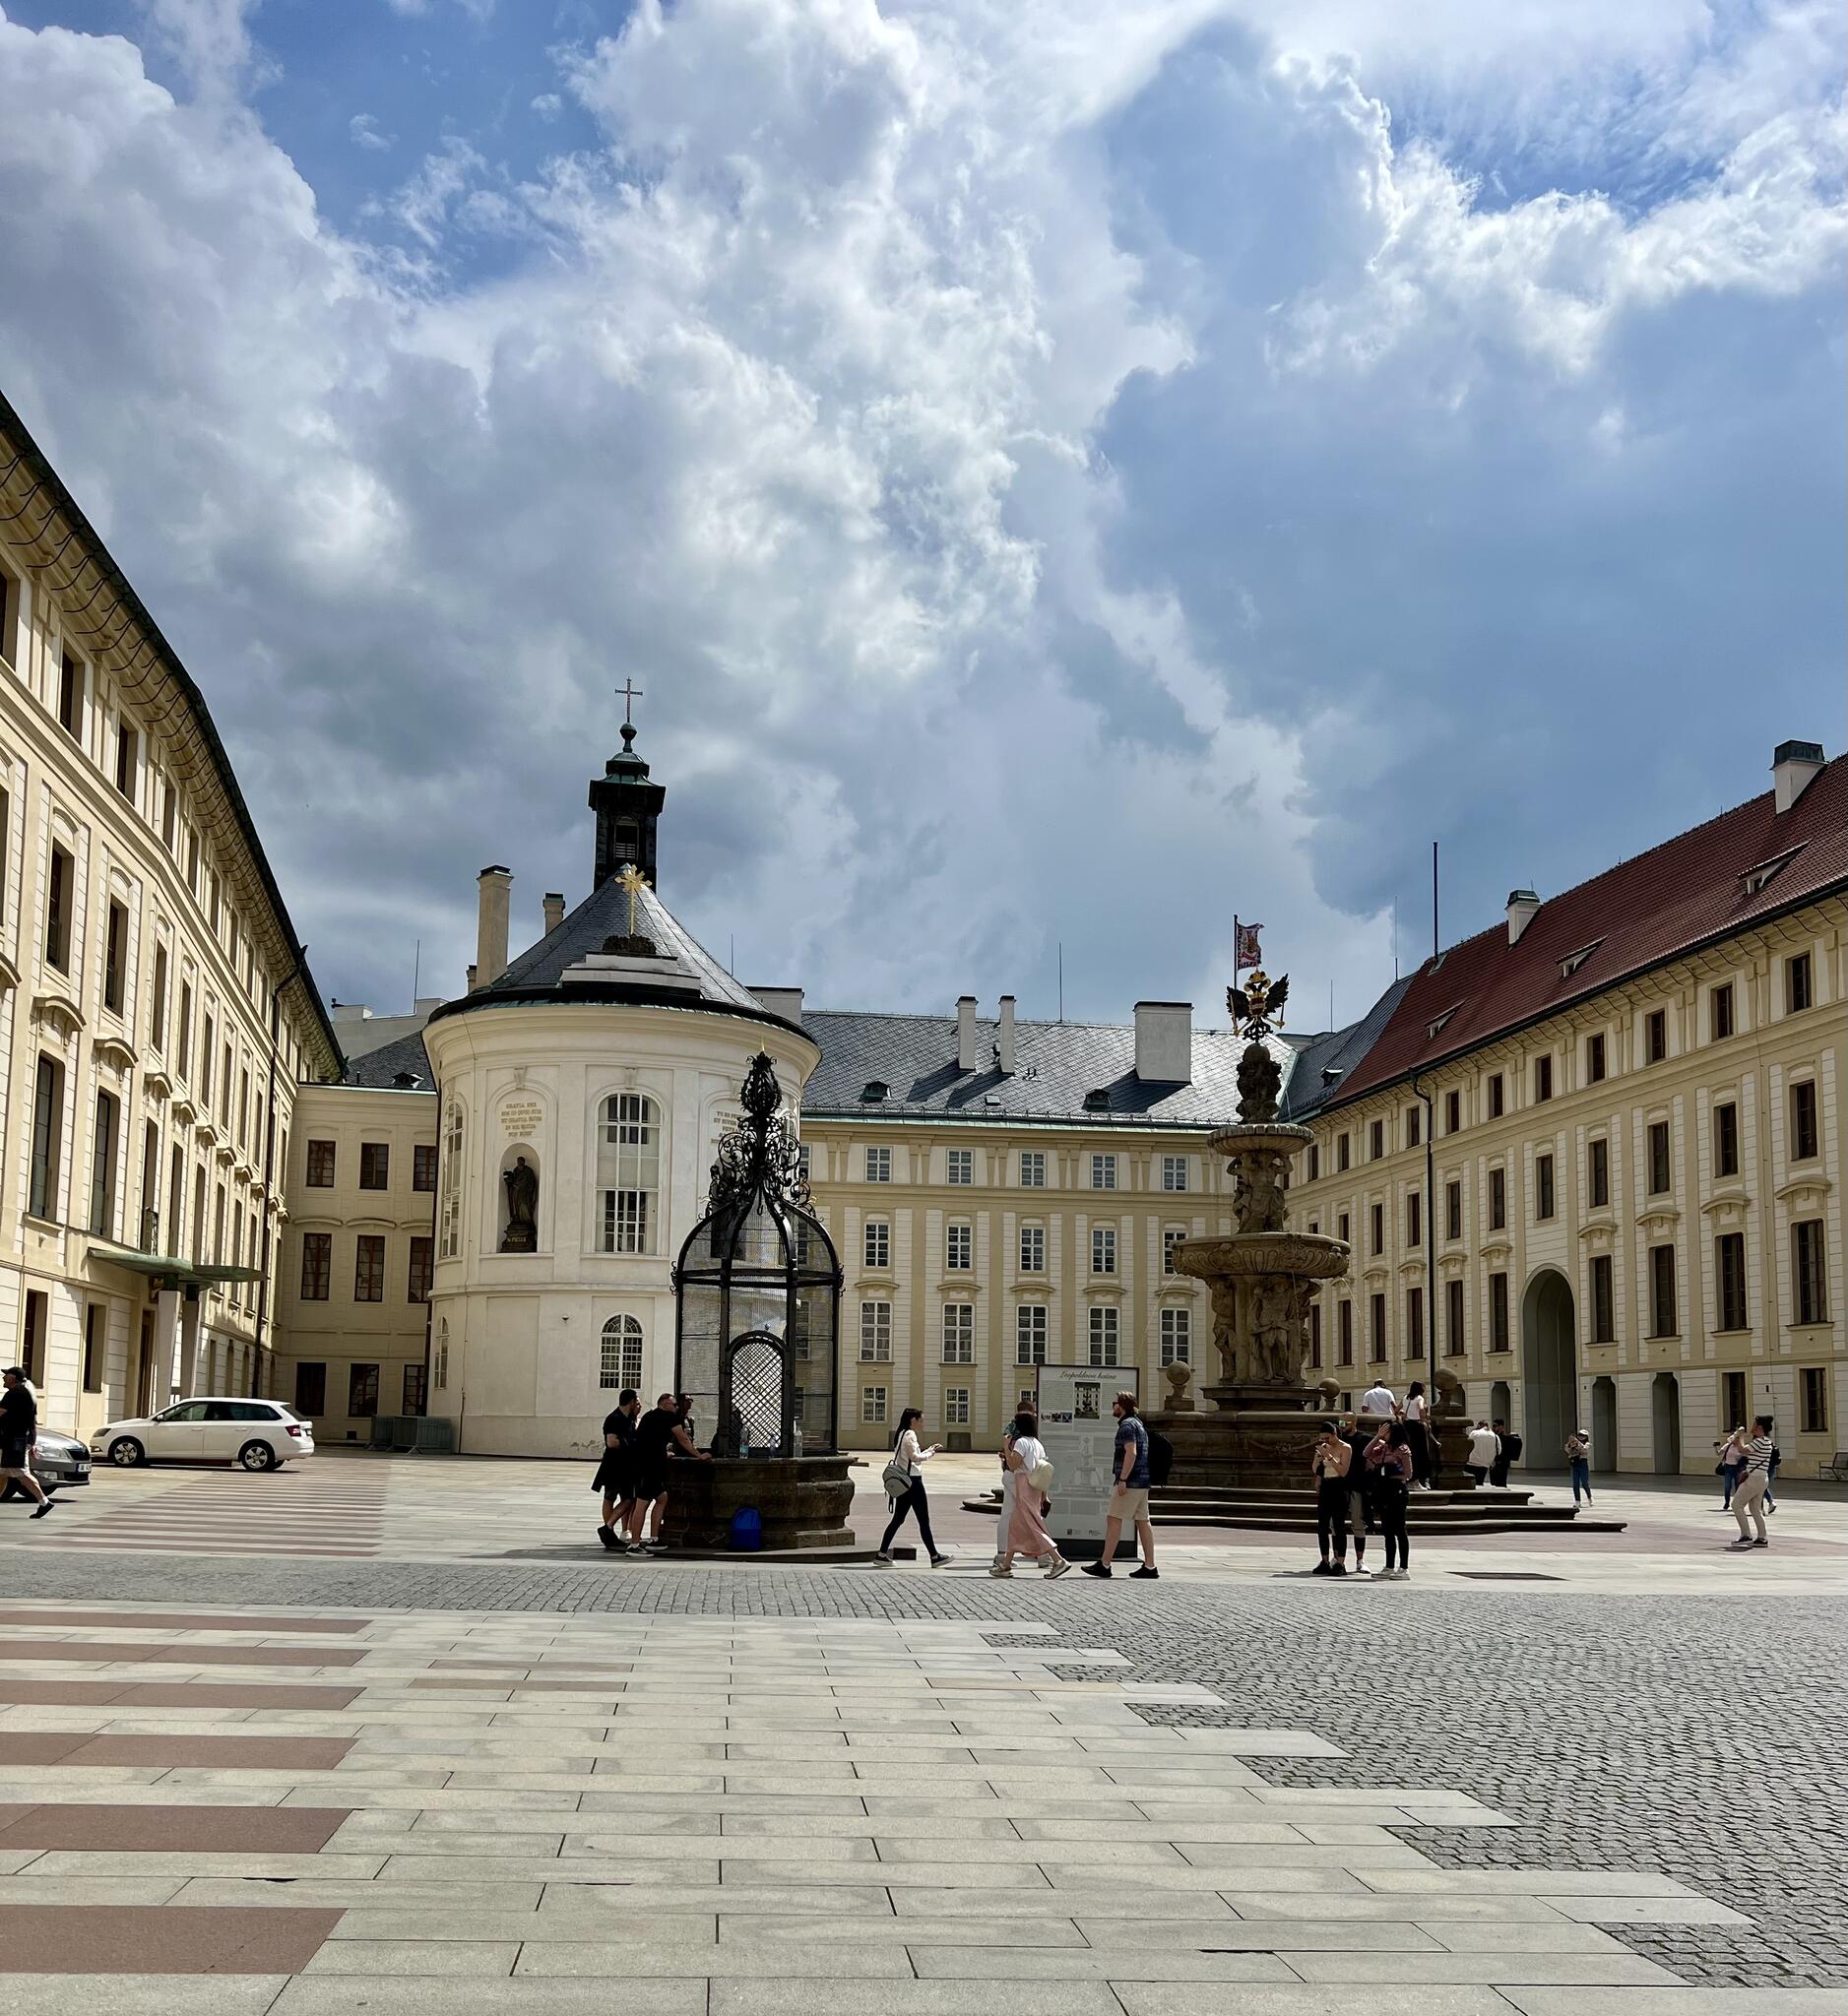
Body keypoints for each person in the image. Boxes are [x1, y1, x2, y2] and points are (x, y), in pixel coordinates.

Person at [1083, 1392, 1157, 1580]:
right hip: (1143, 1481)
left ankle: (1105, 1565)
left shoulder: (1126, 1426)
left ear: (1121, 1406)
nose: (1112, 1407)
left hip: (1130, 1482)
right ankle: (1150, 1566)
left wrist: (1123, 1479)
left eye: (1114, 1403)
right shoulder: (1138, 1424)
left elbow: (1130, 1453)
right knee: (1143, 1521)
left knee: (1114, 1519)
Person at [992, 1410, 1071, 1579]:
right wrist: (1044, 1496)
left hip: (1024, 1486)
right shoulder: (1037, 1443)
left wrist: (1007, 1447)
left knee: (1033, 1525)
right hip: (1035, 1487)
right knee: (1016, 1525)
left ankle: (1058, 1560)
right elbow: (1043, 1472)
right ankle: (1005, 1565)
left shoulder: (1021, 1443)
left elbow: (1013, 1465)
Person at [877, 1408, 950, 1567]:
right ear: (913, 1420)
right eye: (920, 1420)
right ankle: (934, 1556)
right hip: (913, 1483)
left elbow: (908, 1458)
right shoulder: (910, 1434)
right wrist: (930, 1454)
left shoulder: (901, 1433)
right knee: (923, 1520)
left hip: (904, 1482)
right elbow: (915, 1458)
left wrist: (929, 1449)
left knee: (898, 1519)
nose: (922, 1423)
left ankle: (881, 1553)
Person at [593, 1388, 643, 1552]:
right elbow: (612, 1443)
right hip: (614, 1465)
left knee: (629, 1498)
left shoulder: (629, 1419)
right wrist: (633, 1443)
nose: (637, 1404)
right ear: (630, 1401)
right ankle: (608, 1530)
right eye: (636, 1401)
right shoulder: (614, 1419)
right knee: (611, 1497)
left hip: (627, 1465)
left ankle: (608, 1528)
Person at [0, 1369, 52, 1519]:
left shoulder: (14, 1393)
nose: (3, 1377)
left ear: (13, 1378)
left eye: (6, 1375)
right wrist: (32, 1441)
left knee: (21, 1472)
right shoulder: (27, 1393)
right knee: (3, 1472)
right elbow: (32, 1422)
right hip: (17, 1440)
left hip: (14, 1440)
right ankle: (44, 1502)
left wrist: (31, 1442)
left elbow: (1, 1412)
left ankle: (44, 1502)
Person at [1366, 1420, 1415, 1578]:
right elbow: (1366, 1453)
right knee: (1387, 1530)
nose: (1383, 1434)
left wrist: (1390, 1471)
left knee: (1399, 1529)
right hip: (1383, 1490)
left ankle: (1404, 1568)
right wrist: (1377, 1437)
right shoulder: (1384, 1448)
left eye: (1386, 1431)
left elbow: (1408, 1474)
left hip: (1397, 1490)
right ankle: (1389, 1566)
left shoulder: (1402, 1449)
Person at [1310, 1419, 1352, 1575]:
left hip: (1339, 1487)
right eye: (1323, 1439)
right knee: (1322, 1525)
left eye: (1328, 1438)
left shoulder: (1345, 1448)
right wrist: (1317, 1458)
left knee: (1339, 1525)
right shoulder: (1324, 1448)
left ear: (1335, 1434)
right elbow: (1315, 1470)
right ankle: (1325, 1560)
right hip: (1326, 1486)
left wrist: (1329, 1457)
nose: (1325, 1441)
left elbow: (1343, 1471)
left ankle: (1340, 1562)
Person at [1727, 1416, 1774, 1549]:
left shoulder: (1760, 1441)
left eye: (1754, 1424)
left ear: (1760, 1427)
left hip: (1754, 1478)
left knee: (1736, 1504)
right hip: (1761, 1478)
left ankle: (1746, 1534)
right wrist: (1739, 1438)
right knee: (1755, 1509)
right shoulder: (1766, 1442)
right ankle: (1762, 1537)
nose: (1752, 1426)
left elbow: (1742, 1450)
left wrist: (1739, 1435)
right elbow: (1744, 1450)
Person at [1342, 1416, 1374, 1577]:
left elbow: (1377, 1449)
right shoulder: (1338, 1438)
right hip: (1340, 1485)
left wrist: (1371, 1461)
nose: (1341, 1425)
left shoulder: (1364, 1438)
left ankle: (1360, 1560)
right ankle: (1338, 1559)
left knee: (1358, 1523)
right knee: (1336, 1524)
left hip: (1357, 1485)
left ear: (1353, 1423)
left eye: (1344, 1422)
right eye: (1339, 1422)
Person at [1402, 1381, 1434, 1490]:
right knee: (1420, 1453)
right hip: (1416, 1426)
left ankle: (1409, 1481)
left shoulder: (1405, 1397)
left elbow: (1396, 1409)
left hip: (1406, 1426)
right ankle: (1416, 1482)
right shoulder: (1419, 1398)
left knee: (1409, 1452)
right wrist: (1423, 1419)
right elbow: (1421, 1408)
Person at [1715, 1427, 1747, 1511]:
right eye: (1734, 1438)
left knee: (1737, 1486)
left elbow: (1745, 1456)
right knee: (1727, 1486)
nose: (1735, 1440)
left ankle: (1736, 1503)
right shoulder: (1728, 1446)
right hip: (1728, 1467)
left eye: (1737, 1439)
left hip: (1737, 1468)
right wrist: (1715, 1447)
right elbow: (1719, 1453)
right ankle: (1727, 1502)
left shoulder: (1741, 1447)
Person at [1465, 1418, 1499, 1487]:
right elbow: (1499, 1449)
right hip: (1485, 1464)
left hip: (1471, 1462)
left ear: (1479, 1425)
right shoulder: (1495, 1436)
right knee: (1479, 1482)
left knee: (1469, 1483)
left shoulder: (1474, 1433)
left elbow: (1467, 1445)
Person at [1564, 1426, 1592, 1506]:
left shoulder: (1587, 1444)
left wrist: (1577, 1443)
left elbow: (1584, 1450)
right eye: (1580, 1435)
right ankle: (1577, 1501)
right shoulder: (1574, 1444)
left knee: (1584, 1483)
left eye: (1583, 1435)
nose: (1581, 1437)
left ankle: (1589, 1497)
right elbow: (1567, 1450)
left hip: (1583, 1463)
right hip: (1575, 1463)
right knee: (1575, 1484)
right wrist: (1570, 1444)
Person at [1489, 1418, 1513, 1488]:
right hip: (1493, 1464)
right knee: (1493, 1483)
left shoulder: (1507, 1438)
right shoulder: (1493, 1437)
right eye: (1493, 1426)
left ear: (1501, 1427)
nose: (1493, 1428)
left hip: (1502, 1464)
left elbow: (1507, 1452)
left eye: (1495, 1426)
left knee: (1501, 1483)